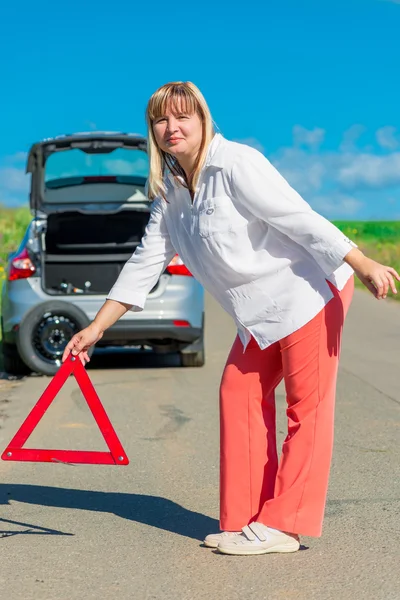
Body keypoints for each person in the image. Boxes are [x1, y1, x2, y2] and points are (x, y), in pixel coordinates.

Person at [62, 81, 399, 556]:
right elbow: (144, 262)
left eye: (182, 116)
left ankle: (285, 524)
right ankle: (246, 521)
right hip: (258, 315)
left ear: (203, 120)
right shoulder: (170, 193)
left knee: (308, 408)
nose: (171, 127)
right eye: (161, 119)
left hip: (307, 294)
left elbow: (298, 218)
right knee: (237, 394)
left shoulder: (237, 163)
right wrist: (97, 327)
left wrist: (362, 263)